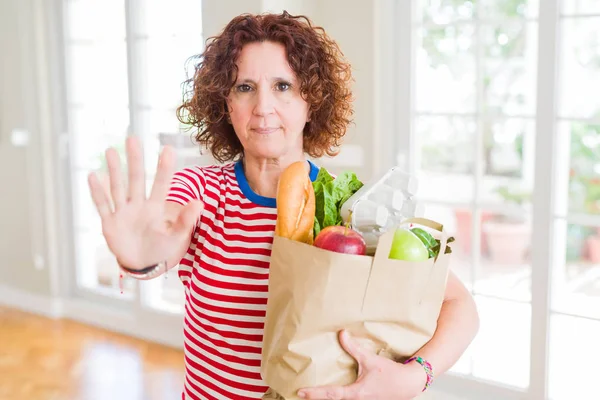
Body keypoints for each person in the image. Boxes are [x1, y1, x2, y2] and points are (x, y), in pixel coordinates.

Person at [88, 11, 479, 400]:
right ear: (225, 103)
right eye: (244, 87)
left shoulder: (352, 208)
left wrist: (414, 377)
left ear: (312, 102)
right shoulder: (200, 192)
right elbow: (163, 239)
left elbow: (460, 305)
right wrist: (141, 259)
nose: (263, 106)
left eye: (283, 86)